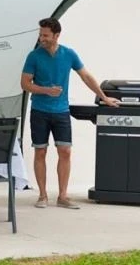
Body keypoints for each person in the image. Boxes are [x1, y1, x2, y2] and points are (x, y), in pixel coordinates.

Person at [21, 17, 120, 210]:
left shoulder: (69, 54)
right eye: (41, 35)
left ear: (56, 35)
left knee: (65, 151)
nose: (41, 38)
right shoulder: (33, 56)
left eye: (45, 35)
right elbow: (25, 84)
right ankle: (42, 196)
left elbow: (86, 76)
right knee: (40, 151)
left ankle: (63, 196)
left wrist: (104, 97)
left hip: (61, 111)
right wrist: (46, 90)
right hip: (39, 111)